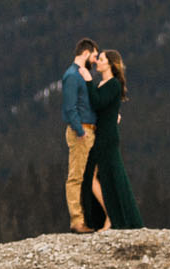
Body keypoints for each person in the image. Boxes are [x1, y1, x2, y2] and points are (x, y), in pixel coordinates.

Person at [79, 49, 144, 231]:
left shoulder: (113, 84)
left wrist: (88, 80)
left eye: (101, 59)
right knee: (103, 176)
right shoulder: (104, 84)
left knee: (102, 176)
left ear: (110, 64)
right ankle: (109, 216)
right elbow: (101, 106)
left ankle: (111, 217)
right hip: (101, 134)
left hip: (106, 137)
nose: (97, 62)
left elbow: (98, 102)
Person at [60, 37, 99, 232]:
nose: (95, 60)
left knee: (90, 176)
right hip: (80, 131)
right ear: (85, 53)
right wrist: (80, 129)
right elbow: (69, 106)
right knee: (76, 176)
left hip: (87, 129)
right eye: (94, 55)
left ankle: (90, 217)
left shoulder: (80, 75)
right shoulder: (72, 76)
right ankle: (77, 219)